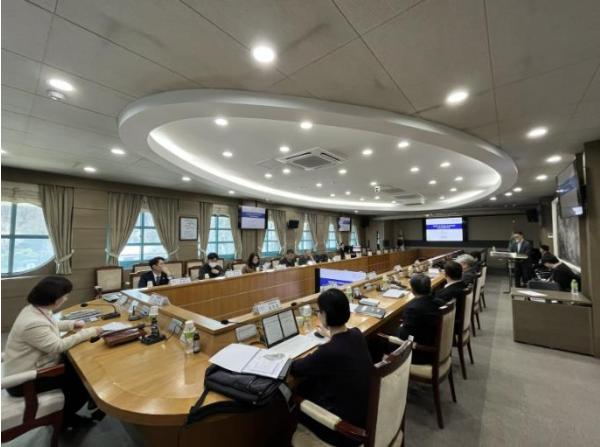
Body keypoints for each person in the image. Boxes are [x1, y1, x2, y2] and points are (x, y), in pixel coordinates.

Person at [4, 276, 103, 428]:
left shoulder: (34, 309)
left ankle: (89, 401)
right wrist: (89, 332)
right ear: (55, 299)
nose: (66, 298)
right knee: (83, 381)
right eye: (65, 296)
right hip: (23, 382)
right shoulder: (33, 323)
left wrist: (71, 324)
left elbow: (51, 324)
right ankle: (66, 418)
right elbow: (57, 346)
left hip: (29, 366)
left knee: (78, 365)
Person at [291, 289, 372, 447]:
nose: (318, 315)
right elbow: (342, 342)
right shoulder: (357, 334)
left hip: (343, 430)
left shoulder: (328, 352)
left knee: (299, 390)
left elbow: (296, 368)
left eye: (319, 311)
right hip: (363, 415)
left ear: (325, 315)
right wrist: (330, 335)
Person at [395, 274, 445, 364]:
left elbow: (404, 336)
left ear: (412, 290)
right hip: (439, 347)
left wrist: (400, 327)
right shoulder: (440, 302)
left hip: (421, 353)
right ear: (429, 288)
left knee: (377, 341)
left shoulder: (413, 308)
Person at [436, 261, 468, 334]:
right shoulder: (463, 284)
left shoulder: (445, 294)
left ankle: (410, 340)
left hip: (448, 326)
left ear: (445, 274)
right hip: (458, 319)